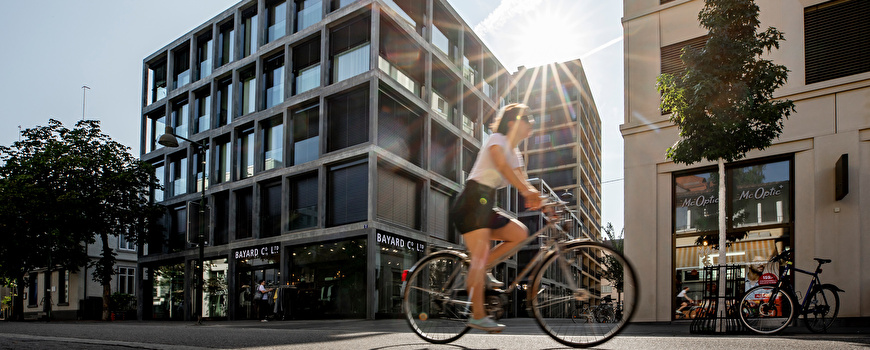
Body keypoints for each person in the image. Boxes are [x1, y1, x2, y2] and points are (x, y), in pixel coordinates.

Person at [449, 103, 541, 332]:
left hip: (486, 204)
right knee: (479, 259)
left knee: (520, 233)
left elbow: (523, 181)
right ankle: (478, 315)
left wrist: (541, 201)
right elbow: (500, 163)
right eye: (526, 120)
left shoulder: (517, 155)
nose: (531, 124)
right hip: (471, 201)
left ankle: (480, 270)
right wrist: (525, 190)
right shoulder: (497, 139)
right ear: (512, 123)